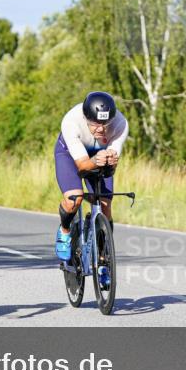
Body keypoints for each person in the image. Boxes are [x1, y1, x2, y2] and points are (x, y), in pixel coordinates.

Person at [53, 91, 128, 265]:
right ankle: (64, 231)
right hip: (70, 155)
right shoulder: (71, 121)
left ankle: (103, 255)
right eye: (95, 124)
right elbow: (82, 165)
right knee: (74, 199)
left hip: (98, 155)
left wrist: (111, 162)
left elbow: (111, 165)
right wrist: (95, 160)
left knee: (105, 204)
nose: (101, 129)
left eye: (105, 123)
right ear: (86, 118)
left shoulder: (120, 124)